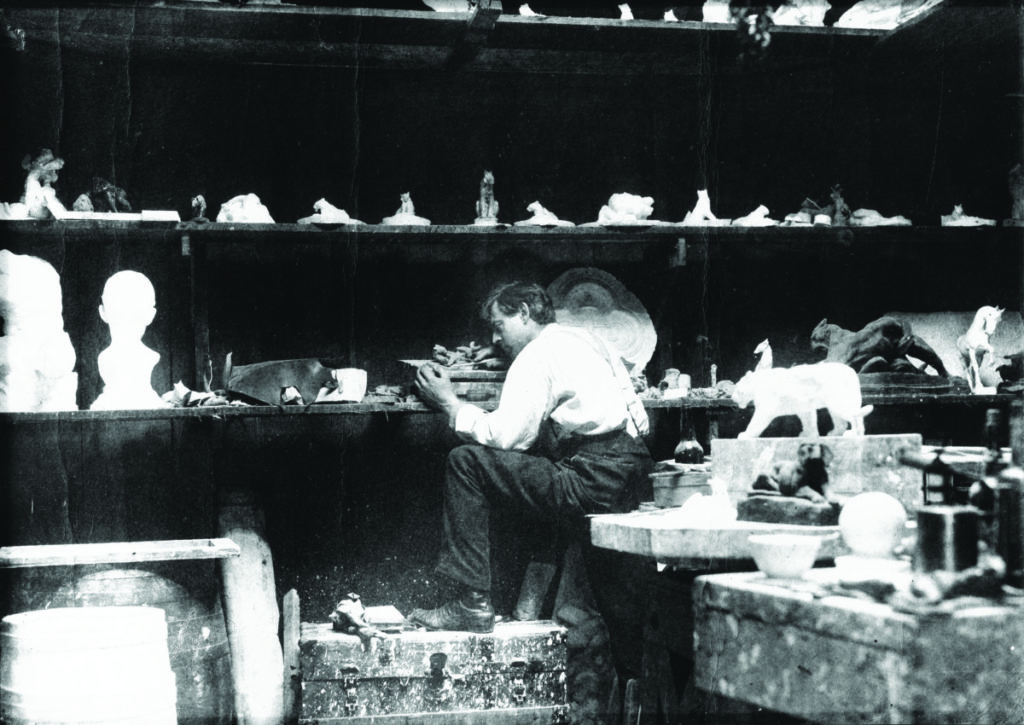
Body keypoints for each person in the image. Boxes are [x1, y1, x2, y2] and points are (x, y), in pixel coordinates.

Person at [410, 281, 654, 637]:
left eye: (499, 326)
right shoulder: (587, 340)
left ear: (524, 312)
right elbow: (639, 422)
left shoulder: (537, 354)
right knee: (624, 609)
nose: (495, 338)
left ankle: (471, 602)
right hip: (634, 472)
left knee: (466, 462)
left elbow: (507, 436)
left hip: (592, 481)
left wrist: (450, 403)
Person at [91, 270, 169, 410]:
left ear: (151, 315)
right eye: (118, 309)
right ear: (102, 312)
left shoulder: (148, 357)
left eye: (135, 310)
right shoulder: (105, 358)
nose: (126, 318)